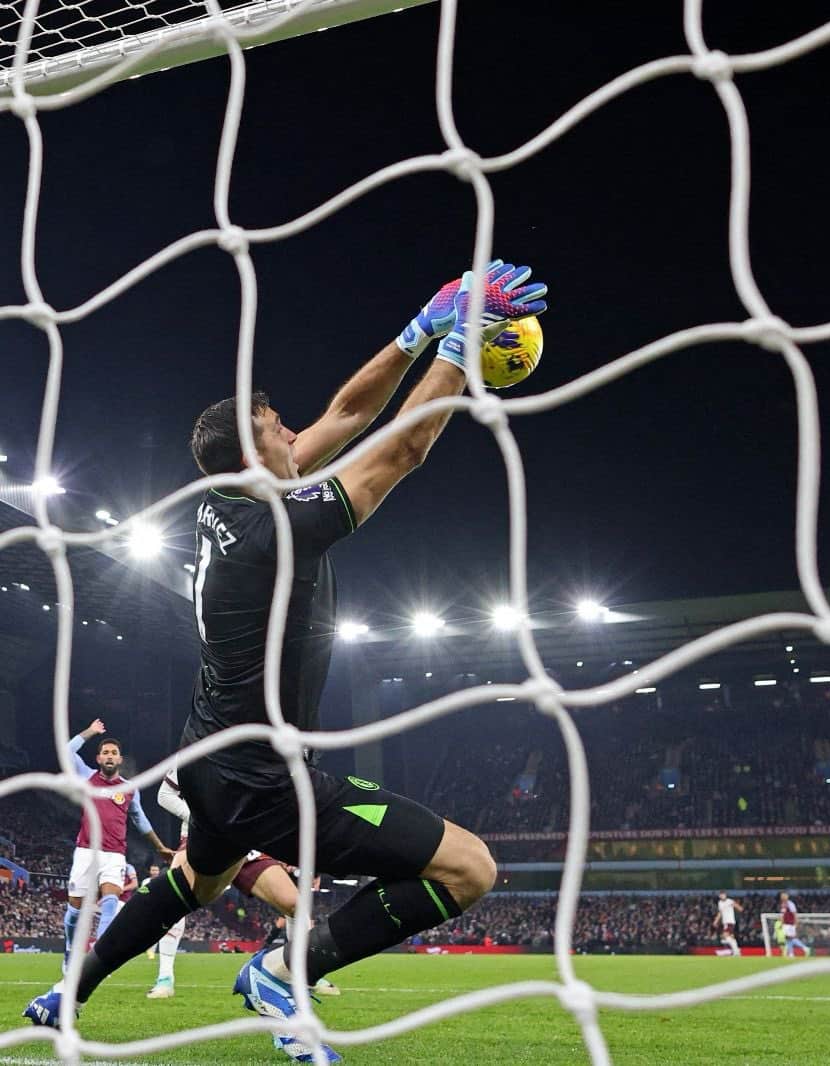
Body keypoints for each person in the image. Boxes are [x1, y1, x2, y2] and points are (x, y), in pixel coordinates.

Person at [24, 259, 548, 1063]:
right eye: (277, 428)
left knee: (190, 884)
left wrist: (422, 326)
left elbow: (347, 410)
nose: (294, 432)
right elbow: (400, 448)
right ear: (253, 453)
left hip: (207, 762)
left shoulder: (224, 504)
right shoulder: (279, 531)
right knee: (470, 868)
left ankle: (70, 994)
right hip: (266, 778)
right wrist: (464, 352)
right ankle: (280, 971)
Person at [147, 773, 338, 1000]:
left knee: (295, 904)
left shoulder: (257, 754)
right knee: (174, 899)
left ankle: (304, 973)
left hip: (245, 841)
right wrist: (202, 820)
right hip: (201, 838)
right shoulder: (197, 748)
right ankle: (165, 978)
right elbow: (165, 795)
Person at [62, 719, 174, 972]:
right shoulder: (87, 776)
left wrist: (159, 847)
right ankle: (70, 950)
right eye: (105, 753)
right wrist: (90, 732)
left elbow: (140, 819)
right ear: (99, 759)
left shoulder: (129, 789)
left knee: (111, 899)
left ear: (120, 759)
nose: (110, 756)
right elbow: (67, 751)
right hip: (85, 851)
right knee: (75, 913)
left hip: (115, 855)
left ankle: (95, 956)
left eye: (114, 753)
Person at [778, 891, 812, 958]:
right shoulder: (783, 904)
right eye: (782, 896)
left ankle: (805, 948)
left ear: (787, 896)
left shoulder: (790, 904)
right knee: (788, 938)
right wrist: (782, 923)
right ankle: (791, 953)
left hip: (790, 924)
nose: (782, 897)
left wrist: (796, 923)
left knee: (790, 938)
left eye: (784, 895)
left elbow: (794, 914)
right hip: (786, 924)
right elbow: (783, 915)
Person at [715, 892, 743, 957]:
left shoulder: (729, 901)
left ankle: (736, 951)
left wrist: (737, 906)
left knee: (725, 936)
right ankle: (737, 951)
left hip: (730, 921)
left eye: (723, 895)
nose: (722, 896)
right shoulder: (720, 903)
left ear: (725, 895)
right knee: (731, 937)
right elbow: (720, 913)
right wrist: (716, 920)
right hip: (725, 922)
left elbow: (740, 908)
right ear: (719, 896)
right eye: (721, 895)